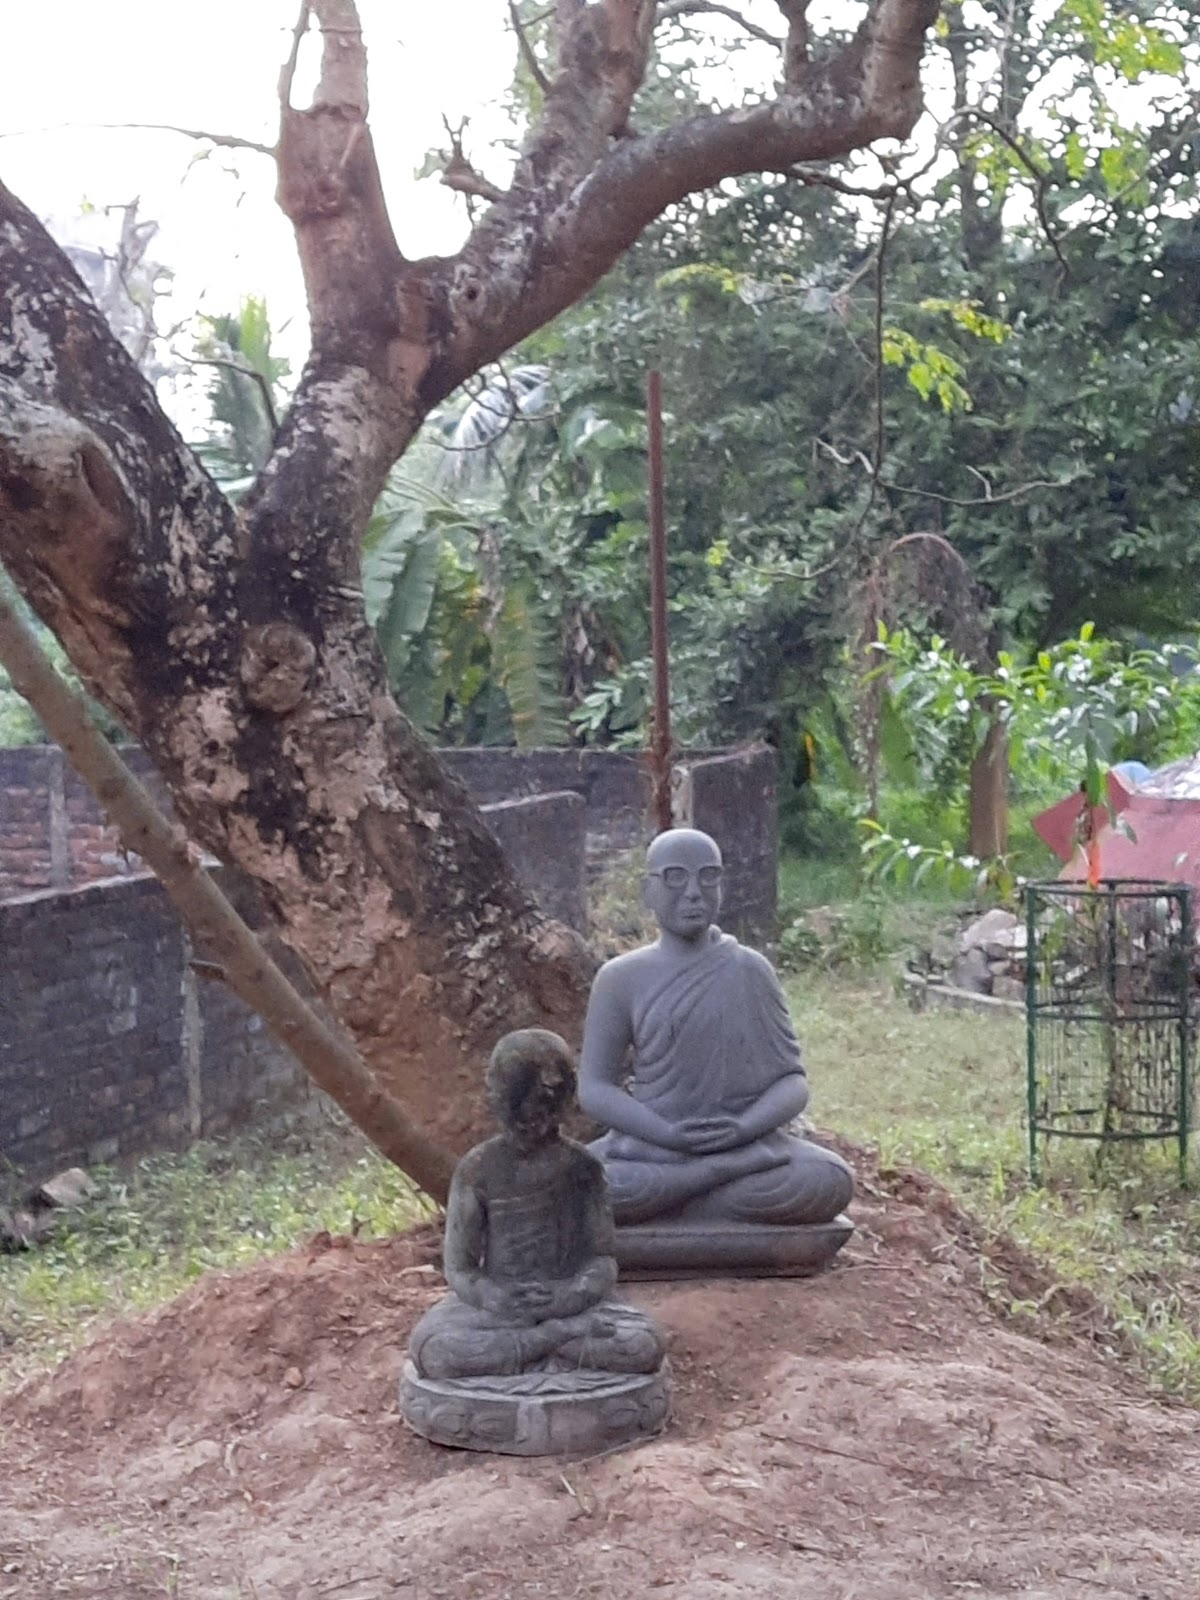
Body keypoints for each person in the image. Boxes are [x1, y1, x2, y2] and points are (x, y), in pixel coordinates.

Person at [578, 828, 853, 1228]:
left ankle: (679, 1202)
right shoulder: (620, 978)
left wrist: (743, 1128)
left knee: (827, 1179)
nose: (693, 892)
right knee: (578, 1189)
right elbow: (594, 1088)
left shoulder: (750, 969)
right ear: (646, 891)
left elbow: (792, 1082)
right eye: (675, 877)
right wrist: (667, 1134)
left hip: (744, 1145)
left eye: (708, 877)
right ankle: (710, 1186)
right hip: (652, 1150)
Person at [408, 1028, 665, 1381]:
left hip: (569, 1305)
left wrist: (571, 1294)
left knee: (641, 1344)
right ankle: (549, 1343)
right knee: (434, 1350)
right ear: (495, 1098)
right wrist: (492, 1295)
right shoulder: (477, 1170)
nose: (530, 1119)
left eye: (543, 1104)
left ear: (563, 1100)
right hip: (501, 1309)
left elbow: (602, 1259)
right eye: (518, 1105)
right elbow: (460, 1268)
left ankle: (533, 1347)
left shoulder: (582, 1168)